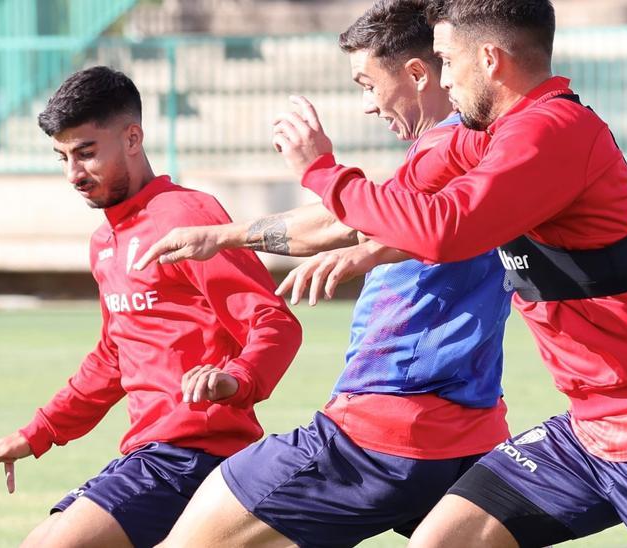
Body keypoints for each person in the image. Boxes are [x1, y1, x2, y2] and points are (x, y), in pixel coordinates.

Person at [270, 1, 627, 546]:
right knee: (445, 539)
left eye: (446, 59)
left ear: (489, 60)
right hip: (586, 432)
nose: (443, 77)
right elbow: (404, 199)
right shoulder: (495, 135)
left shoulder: (553, 131)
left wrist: (323, 173)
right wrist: (233, 237)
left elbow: (446, 228)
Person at [135, 2, 516, 546]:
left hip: (383, 433)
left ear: (416, 73)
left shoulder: (451, 143)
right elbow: (352, 221)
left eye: (368, 83)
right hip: (468, 436)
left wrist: (317, 169)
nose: (367, 104)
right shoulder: (471, 147)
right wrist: (221, 236)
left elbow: (350, 223)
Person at [0, 66, 302, 548]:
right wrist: (36, 434)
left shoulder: (187, 217)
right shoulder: (104, 241)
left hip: (194, 454)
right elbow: (113, 357)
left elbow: (273, 322)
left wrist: (238, 378)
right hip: (148, 453)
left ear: (133, 136)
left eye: (86, 153)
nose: (74, 174)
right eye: (62, 157)